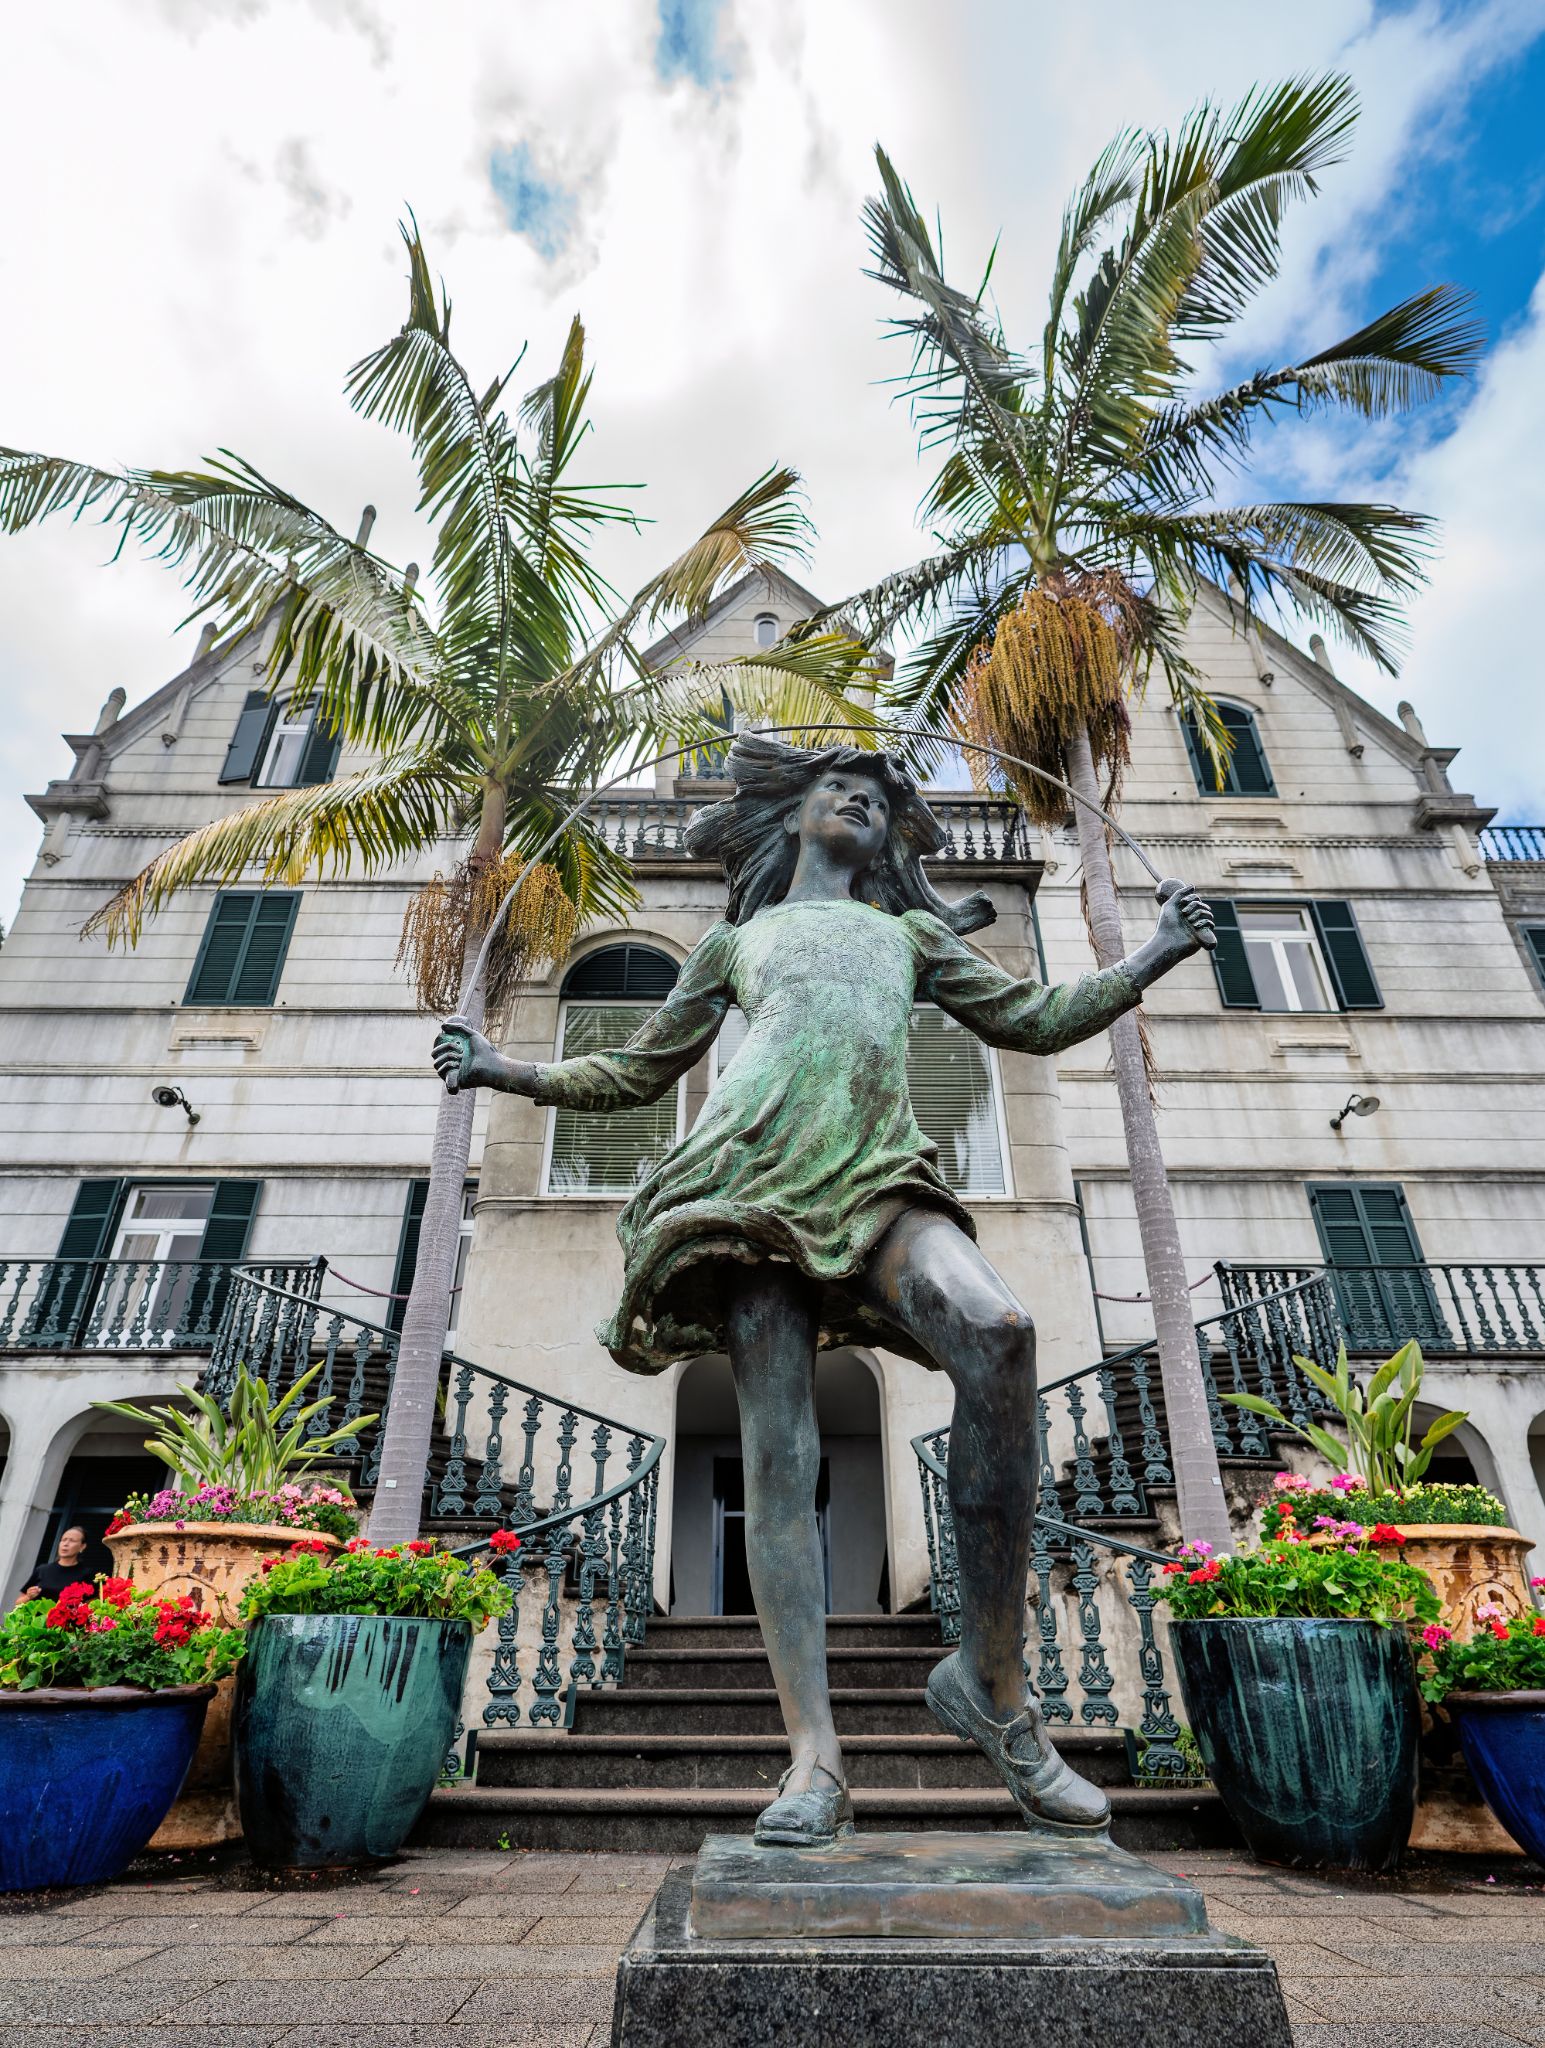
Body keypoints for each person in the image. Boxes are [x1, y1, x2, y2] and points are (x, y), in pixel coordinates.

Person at [434, 735, 1213, 1847]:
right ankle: (814, 1756)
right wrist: (503, 1068)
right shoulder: (737, 941)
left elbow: (1034, 1020)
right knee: (779, 1461)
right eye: (837, 789)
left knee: (998, 1330)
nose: (859, 803)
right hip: (747, 1187)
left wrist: (1154, 956)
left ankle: (990, 1686)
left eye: (877, 800)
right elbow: (636, 1070)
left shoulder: (909, 933)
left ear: (892, 839)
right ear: (791, 814)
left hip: (882, 1176)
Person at [20, 1524, 91, 1602]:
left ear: (82, 1546)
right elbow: (18, 1603)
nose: (66, 1544)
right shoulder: (42, 1570)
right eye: (63, 1540)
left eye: (72, 1540)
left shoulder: (86, 1574)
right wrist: (28, 1597)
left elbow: (92, 1603)